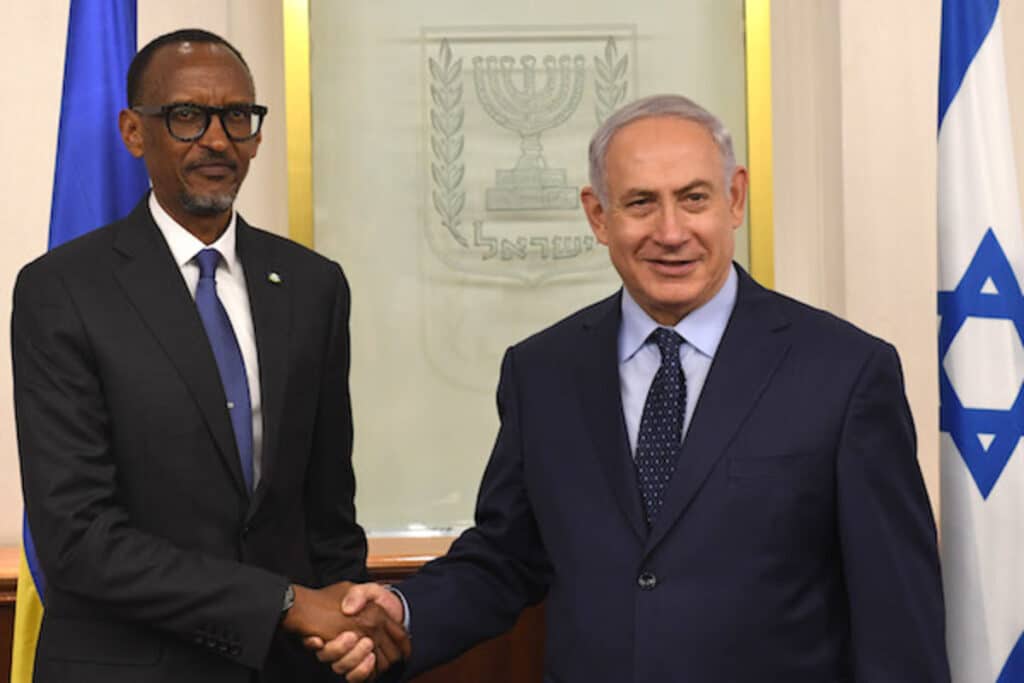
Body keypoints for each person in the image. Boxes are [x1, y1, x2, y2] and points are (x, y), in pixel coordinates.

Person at [316, 94, 951, 682]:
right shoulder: (542, 372)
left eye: (694, 199)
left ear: (735, 199)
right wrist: (401, 613)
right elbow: (508, 556)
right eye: (641, 202)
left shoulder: (844, 371)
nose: (671, 232)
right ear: (598, 215)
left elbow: (895, 609)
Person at [12, 29, 407, 683]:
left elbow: (327, 508)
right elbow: (77, 537)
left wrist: (351, 623)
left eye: (238, 117)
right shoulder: (62, 291)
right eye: (188, 116)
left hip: (288, 669)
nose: (218, 140)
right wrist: (280, 604)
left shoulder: (312, 286)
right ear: (135, 132)